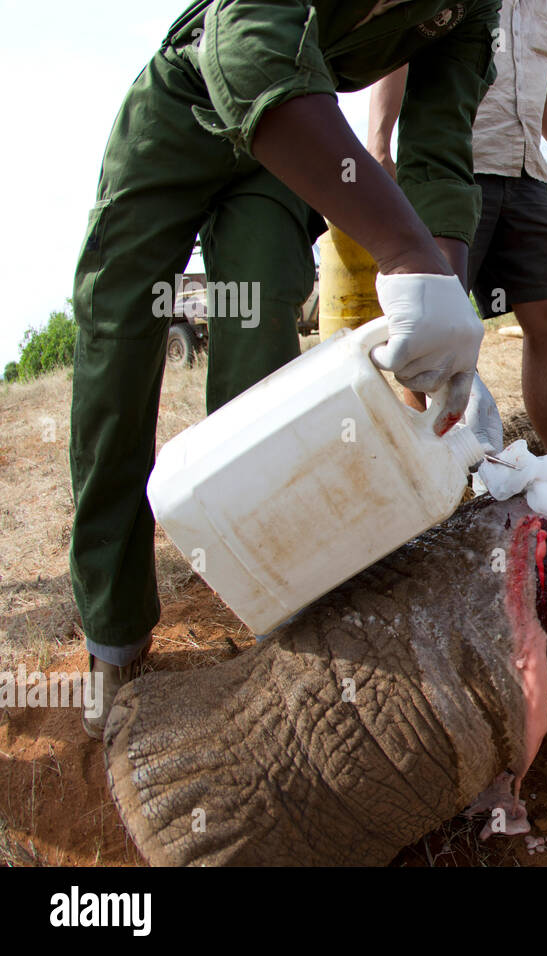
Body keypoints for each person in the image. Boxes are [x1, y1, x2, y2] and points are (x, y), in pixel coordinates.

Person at [71, 0, 502, 739]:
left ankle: (270, 598)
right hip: (190, 108)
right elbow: (251, 46)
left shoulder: (474, 7)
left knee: (259, 340)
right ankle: (115, 633)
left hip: (279, 163)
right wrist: (404, 253)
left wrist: (443, 297)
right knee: (120, 339)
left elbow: (438, 146)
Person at [369, 0, 547, 453]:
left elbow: (544, 88)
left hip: (527, 173)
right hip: (452, 166)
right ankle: (425, 469)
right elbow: (399, 48)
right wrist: (378, 142)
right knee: (431, 322)